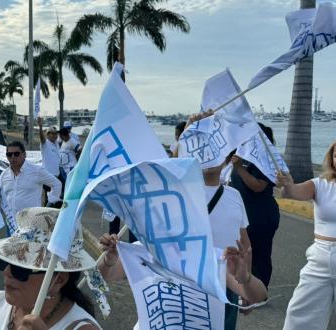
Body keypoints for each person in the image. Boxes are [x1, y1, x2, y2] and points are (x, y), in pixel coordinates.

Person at [98, 234, 267, 330]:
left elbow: (259, 296)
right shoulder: (141, 251)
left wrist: (245, 278)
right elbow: (101, 278)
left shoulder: (213, 258)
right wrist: (110, 258)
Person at [278, 141, 336, 330]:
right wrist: (287, 185)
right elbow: (293, 192)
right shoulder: (320, 184)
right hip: (320, 259)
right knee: (299, 317)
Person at [202, 158, 251, 329]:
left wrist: (246, 284)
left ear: (224, 159)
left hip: (228, 281)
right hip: (192, 280)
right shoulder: (182, 194)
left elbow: (244, 241)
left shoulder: (234, 195)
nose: (209, 158)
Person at [229, 123, 279, 289]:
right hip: (243, 214)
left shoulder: (265, 159)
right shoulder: (243, 155)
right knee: (245, 253)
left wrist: (238, 168)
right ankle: (247, 290)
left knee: (259, 254)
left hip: (261, 215)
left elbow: (258, 186)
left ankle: (260, 291)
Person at [0, 141, 62, 222]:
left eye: (16, 154)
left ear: (24, 154)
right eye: (9, 154)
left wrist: (50, 204)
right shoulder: (4, 175)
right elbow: (1, 197)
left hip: (32, 221)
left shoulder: (36, 171)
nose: (13, 157)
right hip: (12, 223)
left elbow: (57, 184)